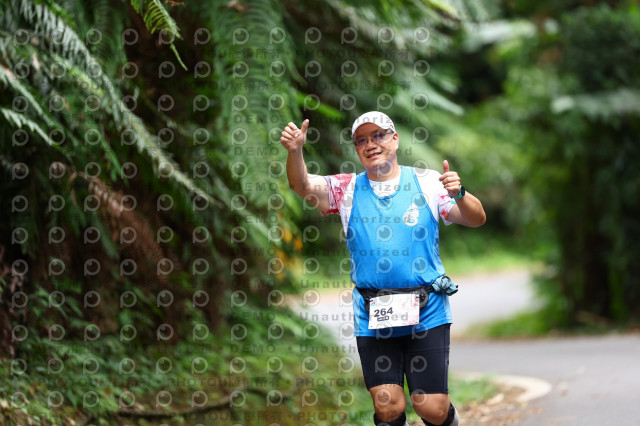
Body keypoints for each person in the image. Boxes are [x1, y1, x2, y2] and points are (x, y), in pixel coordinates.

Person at [280, 111, 486, 426]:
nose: (370, 144)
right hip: (373, 310)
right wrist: (295, 151)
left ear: (395, 139)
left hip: (427, 308)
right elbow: (302, 184)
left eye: (378, 135)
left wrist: (459, 193)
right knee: (388, 406)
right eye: (361, 140)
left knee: (431, 408)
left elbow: (475, 218)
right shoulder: (346, 189)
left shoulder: (427, 182)